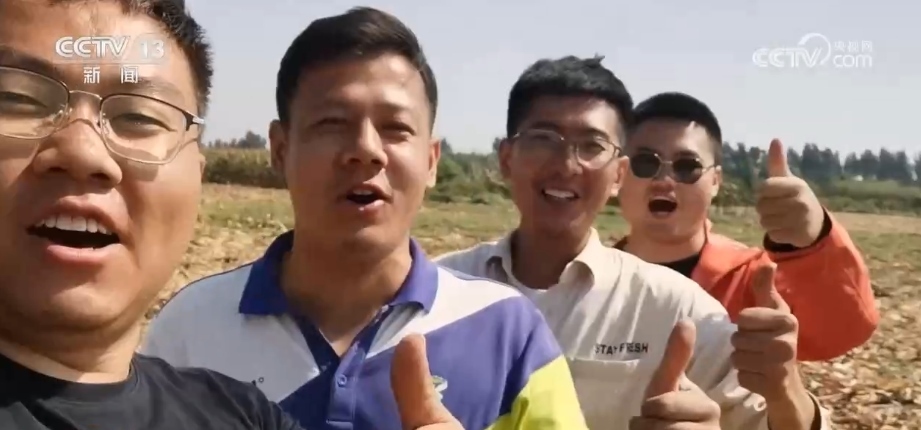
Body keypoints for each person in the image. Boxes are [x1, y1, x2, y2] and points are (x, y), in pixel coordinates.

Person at [0, 1, 464, 429]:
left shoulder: (240, 415)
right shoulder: (192, 323)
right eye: (17, 100)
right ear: (278, 149)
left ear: (197, 176)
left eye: (139, 117)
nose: (83, 152)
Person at [142, 7, 587, 430]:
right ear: (279, 149)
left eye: (396, 128)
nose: (366, 150)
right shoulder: (190, 332)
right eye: (333, 123)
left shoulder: (509, 334)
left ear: (431, 160)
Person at [435, 55, 829, 430]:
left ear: (619, 175)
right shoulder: (438, 290)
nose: (566, 165)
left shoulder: (676, 310)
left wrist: (785, 388)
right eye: (543, 139)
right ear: (507, 158)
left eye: (592, 146)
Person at [613, 91, 877, 361]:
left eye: (686, 166)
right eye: (645, 163)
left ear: (715, 181)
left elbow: (843, 331)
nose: (664, 180)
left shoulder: (755, 280)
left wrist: (815, 240)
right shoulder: (592, 277)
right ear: (618, 173)